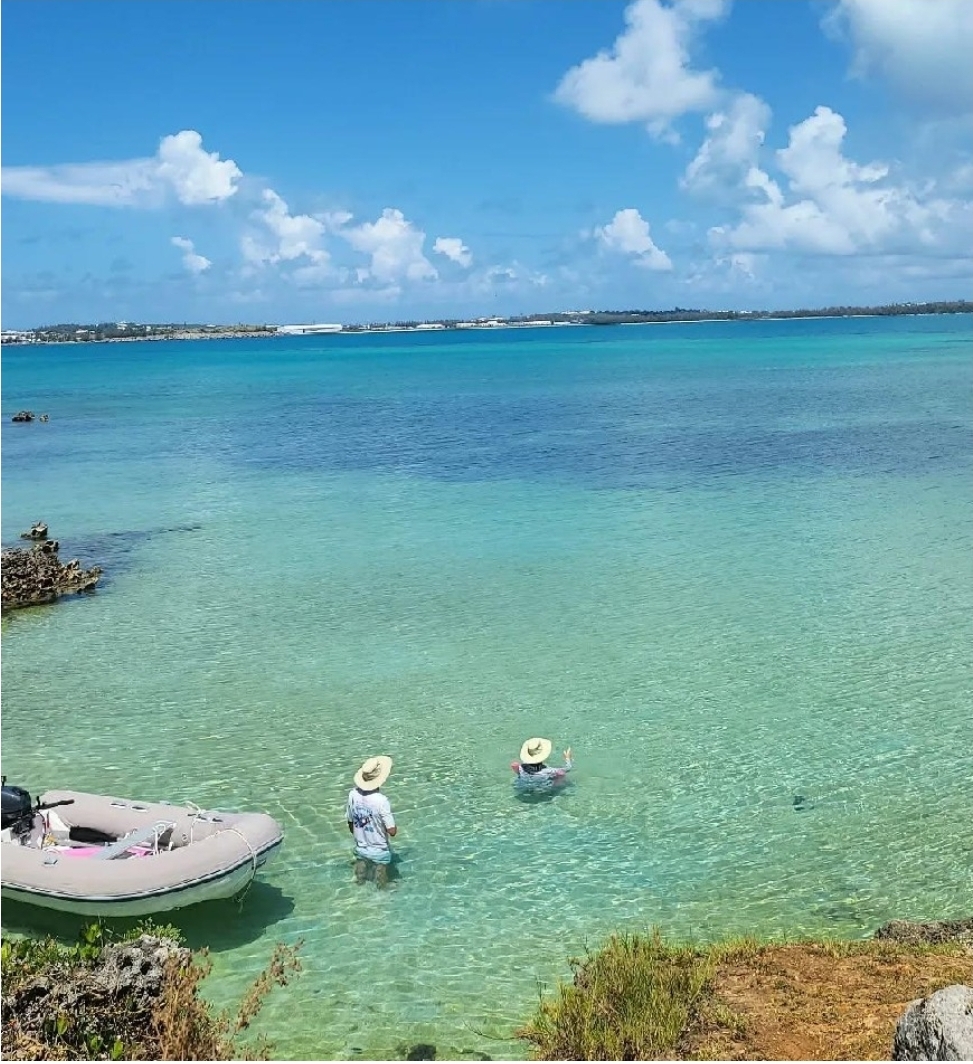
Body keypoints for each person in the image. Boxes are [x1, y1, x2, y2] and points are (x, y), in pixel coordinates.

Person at [346, 755, 397, 886]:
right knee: (382, 888)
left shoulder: (353, 794)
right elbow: (392, 831)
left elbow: (351, 823)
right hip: (380, 852)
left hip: (361, 849)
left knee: (359, 883)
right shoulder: (381, 801)